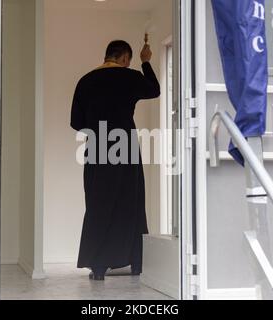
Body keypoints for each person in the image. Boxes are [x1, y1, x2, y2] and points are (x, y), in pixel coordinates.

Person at [70, 40, 160, 280]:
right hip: (125, 146)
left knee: (98, 203)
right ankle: (136, 263)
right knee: (131, 202)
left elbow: (76, 123)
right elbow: (154, 89)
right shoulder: (129, 77)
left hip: (97, 148)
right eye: (129, 60)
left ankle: (98, 267)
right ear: (124, 58)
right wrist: (146, 61)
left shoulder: (86, 81)